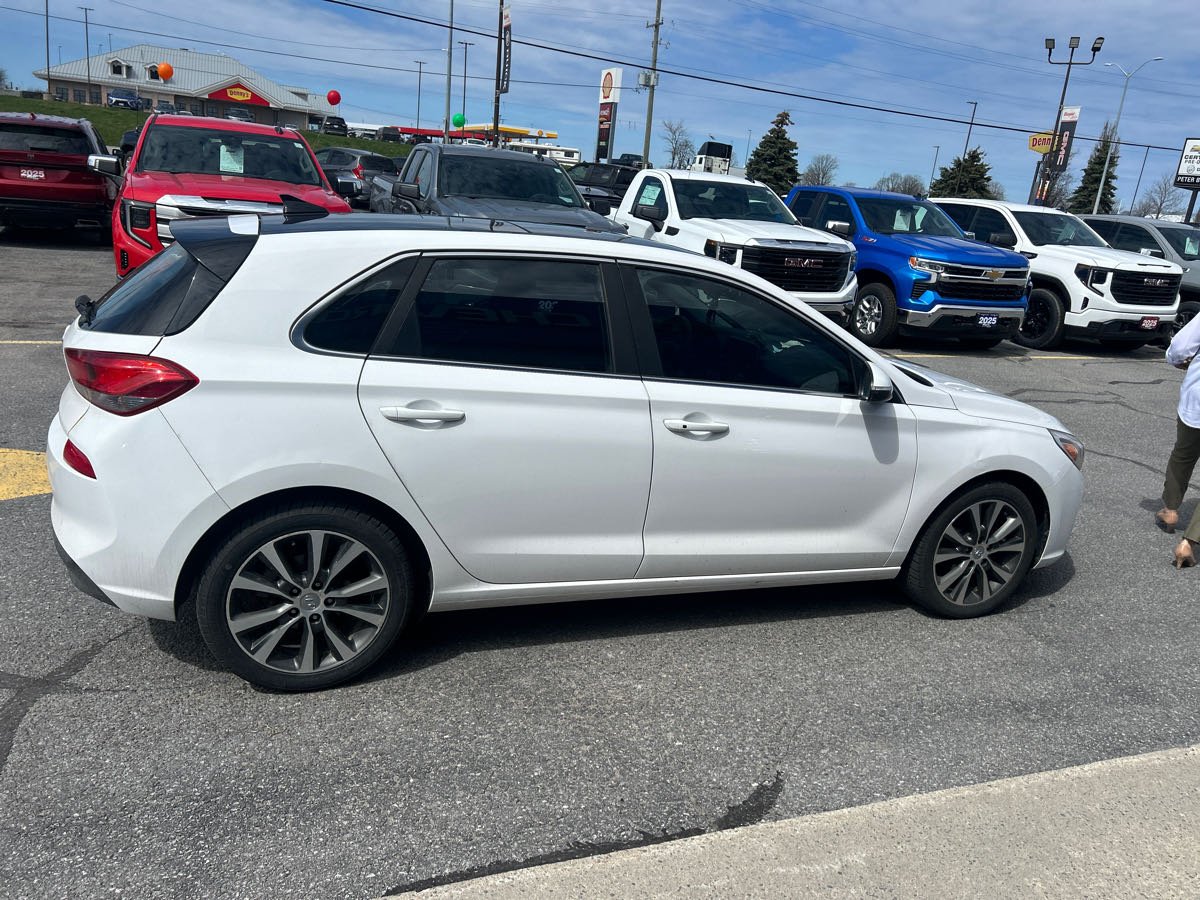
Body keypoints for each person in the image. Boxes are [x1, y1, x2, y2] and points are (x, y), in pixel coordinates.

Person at [1157, 311, 1200, 567]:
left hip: (1196, 403)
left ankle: (1171, 510)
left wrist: (1177, 360)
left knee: (1183, 455)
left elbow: (1180, 347)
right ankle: (1189, 542)